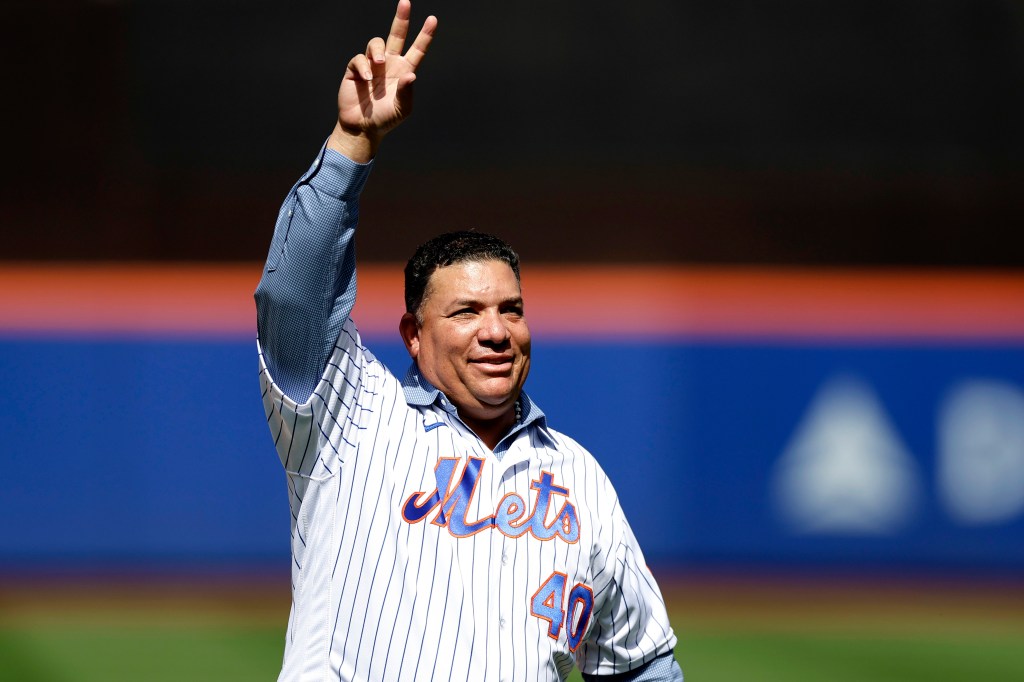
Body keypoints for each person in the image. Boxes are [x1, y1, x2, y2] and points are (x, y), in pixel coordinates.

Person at [254, 2, 682, 680]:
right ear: (414, 339)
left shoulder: (578, 479)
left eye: (511, 309)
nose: (495, 331)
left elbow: (640, 662)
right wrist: (351, 143)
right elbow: (293, 297)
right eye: (466, 312)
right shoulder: (352, 421)